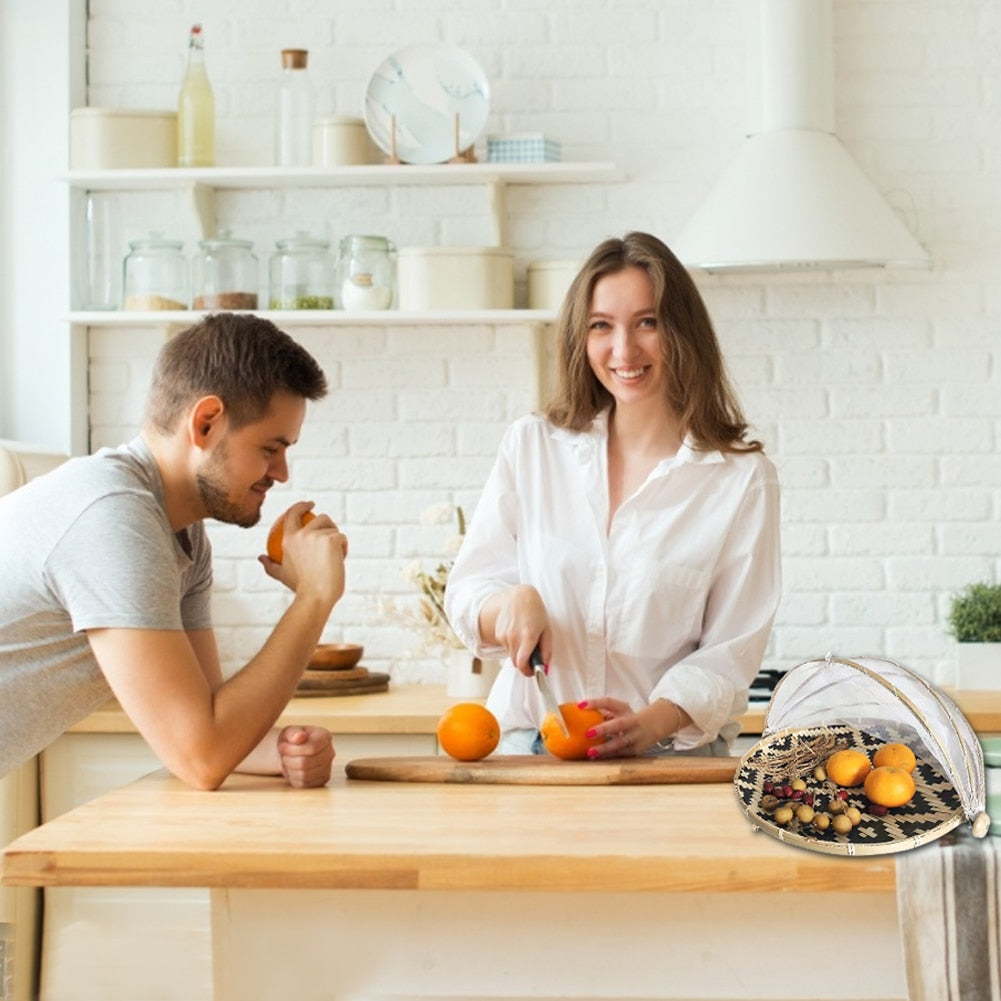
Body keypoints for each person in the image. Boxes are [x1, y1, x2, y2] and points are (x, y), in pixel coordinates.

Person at [444, 232, 781, 758]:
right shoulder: (534, 446)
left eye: (648, 323)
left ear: (683, 332)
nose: (624, 351)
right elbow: (467, 592)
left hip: (668, 759)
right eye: (602, 326)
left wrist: (652, 722)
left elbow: (730, 652)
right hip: (529, 749)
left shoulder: (739, 479)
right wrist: (508, 603)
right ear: (582, 337)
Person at [0, 312, 348, 789]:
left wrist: (282, 751)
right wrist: (314, 598)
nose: (283, 472)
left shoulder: (180, 534)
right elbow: (200, 756)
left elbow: (205, 719)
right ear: (206, 423)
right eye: (271, 447)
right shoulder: (112, 516)